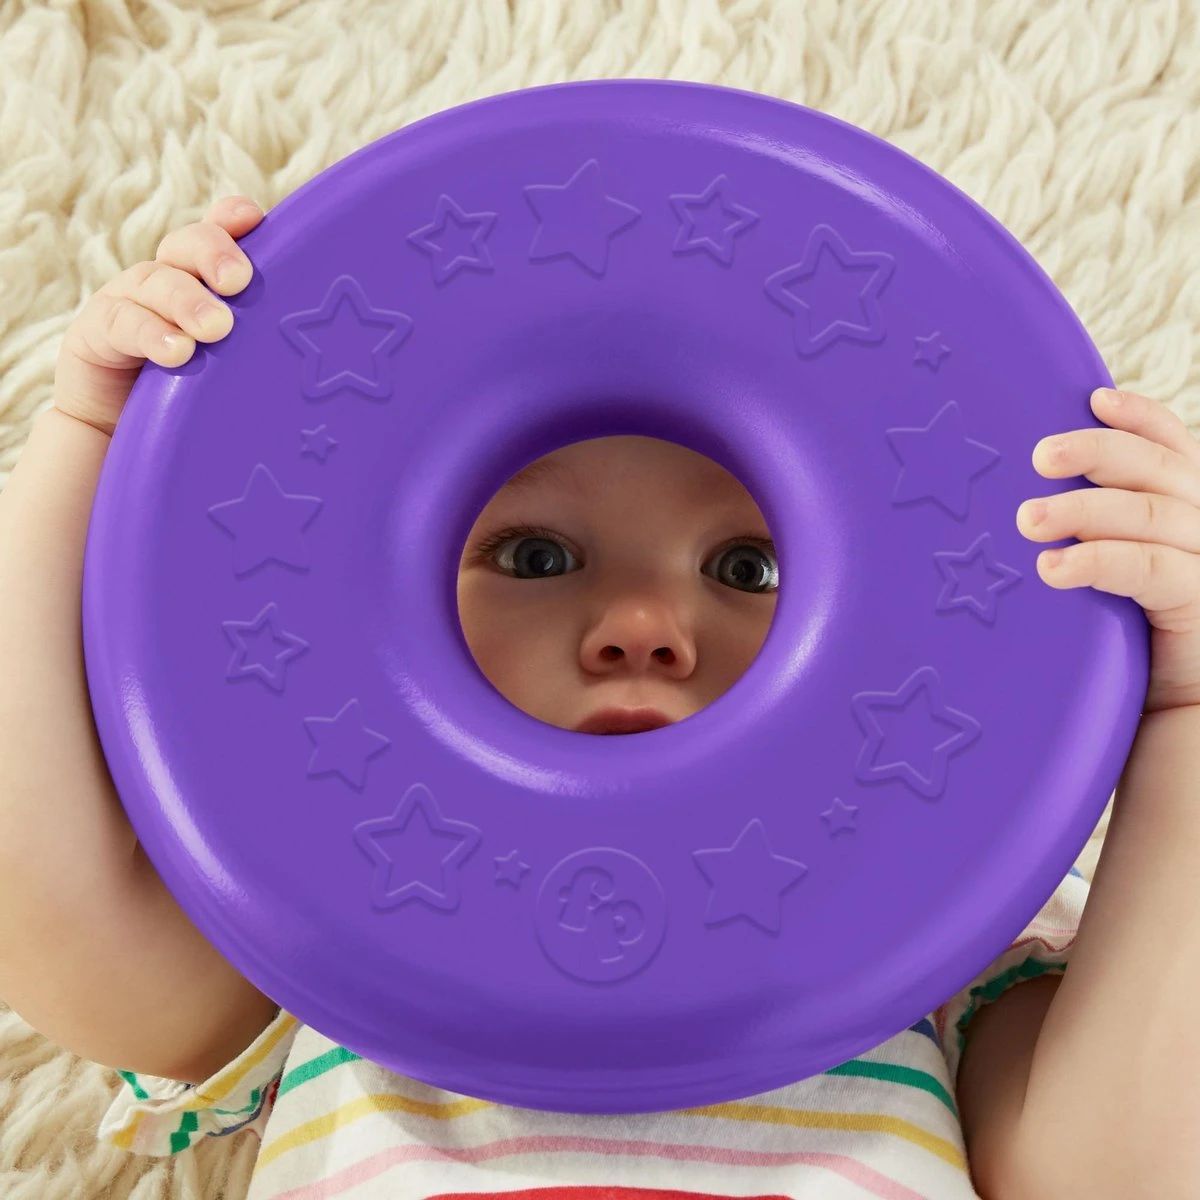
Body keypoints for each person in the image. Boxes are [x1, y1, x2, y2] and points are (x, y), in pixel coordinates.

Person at [1, 196, 1197, 1200]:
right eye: (537, 557)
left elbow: (1121, 1173)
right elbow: (36, 902)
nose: (644, 627)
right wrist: (98, 437)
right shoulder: (321, 924)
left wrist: (1184, 713)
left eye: (751, 569)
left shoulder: (930, 928)